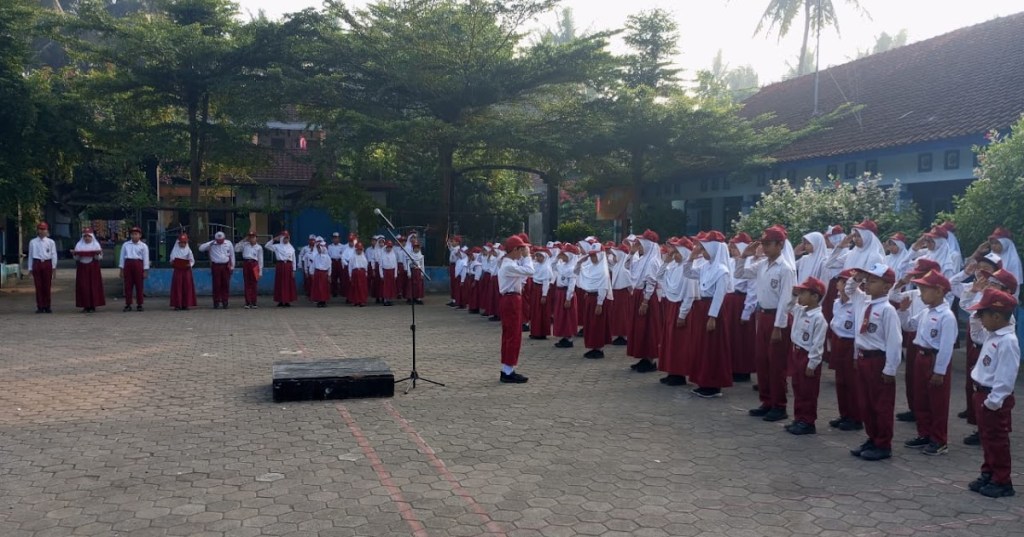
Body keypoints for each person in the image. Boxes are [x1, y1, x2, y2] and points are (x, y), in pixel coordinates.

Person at [736, 225, 796, 422]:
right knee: (762, 360)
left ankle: (779, 405)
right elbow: (740, 274)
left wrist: (779, 326)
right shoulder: (762, 264)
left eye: (769, 244)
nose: (765, 248)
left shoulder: (785, 269)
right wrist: (744, 256)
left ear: (780, 245)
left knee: (776, 363)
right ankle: (766, 401)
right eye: (763, 244)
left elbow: (786, 299)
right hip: (762, 315)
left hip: (776, 317)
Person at [965, 288, 1020, 498]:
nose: (981, 319)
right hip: (982, 395)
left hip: (993, 399)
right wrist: (976, 315)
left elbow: (1005, 378)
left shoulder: (1007, 341)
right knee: (987, 439)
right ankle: (988, 472)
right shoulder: (992, 333)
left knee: (997, 439)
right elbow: (976, 332)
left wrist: (993, 402)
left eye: (983, 314)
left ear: (996, 316)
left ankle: (1002, 480)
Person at [846, 263, 903, 462]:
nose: (868, 284)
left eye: (873, 281)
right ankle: (872, 438)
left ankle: (883, 443)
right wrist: (858, 277)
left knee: (881, 404)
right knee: (866, 403)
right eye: (867, 281)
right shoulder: (864, 302)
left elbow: (895, 342)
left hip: (878, 360)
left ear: (887, 286)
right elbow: (849, 289)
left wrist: (890, 368)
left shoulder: (888, 310)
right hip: (863, 357)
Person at [957, 267, 1017, 446]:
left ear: (1007, 291)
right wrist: (975, 291)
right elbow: (965, 306)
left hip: (993, 355)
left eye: (994, 284)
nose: (988, 285)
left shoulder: (1003, 318)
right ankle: (983, 429)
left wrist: (994, 401)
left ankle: (997, 432)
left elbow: (1006, 374)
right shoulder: (987, 301)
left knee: (998, 408)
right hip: (983, 349)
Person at [899, 270, 957, 456]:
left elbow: (947, 347)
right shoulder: (926, 312)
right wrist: (903, 311)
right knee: (921, 398)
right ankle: (924, 433)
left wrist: (939, 371)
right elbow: (908, 326)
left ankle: (939, 440)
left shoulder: (946, 316)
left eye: (924, 290)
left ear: (939, 291)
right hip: (921, 357)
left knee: (937, 402)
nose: (920, 293)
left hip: (934, 358)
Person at [684, 231, 734, 397]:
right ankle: (703, 380)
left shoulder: (722, 270)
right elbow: (688, 273)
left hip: (713, 310)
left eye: (704, 249)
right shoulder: (705, 267)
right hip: (702, 308)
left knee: (713, 348)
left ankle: (713, 383)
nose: (702, 252)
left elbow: (719, 295)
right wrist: (691, 257)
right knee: (702, 346)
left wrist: (712, 317)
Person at [786, 277, 828, 435]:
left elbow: (818, 344)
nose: (800, 296)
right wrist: (792, 295)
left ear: (815, 296)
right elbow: (788, 306)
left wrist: (813, 364)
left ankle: (808, 421)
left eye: (803, 293)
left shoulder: (819, 319)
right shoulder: (800, 310)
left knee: (808, 390)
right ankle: (799, 418)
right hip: (796, 352)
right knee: (797, 387)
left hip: (808, 356)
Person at [657, 237, 696, 386]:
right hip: (671, 305)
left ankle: (679, 374)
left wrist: (682, 314)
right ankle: (671, 371)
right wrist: (666, 261)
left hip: (681, 308)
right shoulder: (672, 266)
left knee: (680, 343)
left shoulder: (688, 271)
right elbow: (659, 277)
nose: (674, 254)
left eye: (677, 251)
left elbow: (689, 294)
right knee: (669, 341)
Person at [827, 268, 863, 431]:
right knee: (840, 381)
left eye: (843, 280)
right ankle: (845, 414)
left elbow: (857, 329)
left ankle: (855, 417)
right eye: (840, 280)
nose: (840, 283)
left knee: (852, 382)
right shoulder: (837, 302)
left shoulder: (858, 302)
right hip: (839, 342)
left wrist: (856, 353)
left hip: (851, 343)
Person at [497, 235, 535, 383]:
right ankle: (507, 370)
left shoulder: (509, 263)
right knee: (512, 335)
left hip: (511, 299)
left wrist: (524, 255)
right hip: (511, 299)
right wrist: (528, 256)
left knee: (511, 334)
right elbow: (530, 271)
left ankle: (508, 368)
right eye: (521, 249)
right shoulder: (509, 265)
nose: (522, 252)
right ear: (514, 250)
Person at [627, 230, 663, 373]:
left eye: (641, 244)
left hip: (645, 297)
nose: (639, 247)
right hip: (638, 295)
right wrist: (631, 252)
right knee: (639, 327)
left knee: (647, 328)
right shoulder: (641, 259)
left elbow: (651, 282)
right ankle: (643, 356)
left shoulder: (653, 261)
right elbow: (627, 266)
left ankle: (650, 359)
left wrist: (645, 301)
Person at [727, 233, 757, 382]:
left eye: (734, 247)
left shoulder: (751, 263)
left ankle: (743, 369)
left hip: (741, 301)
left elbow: (752, 289)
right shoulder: (732, 262)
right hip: (731, 301)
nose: (731, 250)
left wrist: (747, 311)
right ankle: (732, 367)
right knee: (732, 337)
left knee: (742, 338)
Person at [576, 239, 612, 359]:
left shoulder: (602, 270)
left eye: (595, 255)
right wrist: (581, 261)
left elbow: (603, 287)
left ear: (601, 255)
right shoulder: (590, 267)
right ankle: (592, 346)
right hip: (590, 298)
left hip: (598, 300)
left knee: (597, 324)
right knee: (590, 324)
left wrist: (600, 303)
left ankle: (599, 348)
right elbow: (576, 272)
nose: (592, 258)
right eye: (591, 255)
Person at [552, 244, 580, 349]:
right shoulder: (562, 265)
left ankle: (569, 338)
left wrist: (568, 298)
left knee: (567, 316)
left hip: (566, 293)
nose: (562, 257)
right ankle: (563, 336)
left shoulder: (572, 268)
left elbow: (571, 284)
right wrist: (557, 257)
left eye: (564, 254)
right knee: (561, 315)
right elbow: (552, 265)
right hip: (560, 292)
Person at [72, 228, 105, 313]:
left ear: (92, 237)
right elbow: (76, 258)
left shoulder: (96, 245)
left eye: (89, 236)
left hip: (93, 267)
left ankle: (93, 305)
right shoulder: (79, 245)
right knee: (83, 286)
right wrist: (76, 254)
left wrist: (96, 254)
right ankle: (85, 305)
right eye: (85, 236)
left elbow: (99, 257)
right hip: (82, 268)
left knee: (93, 285)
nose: (87, 238)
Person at [28, 222, 58, 314]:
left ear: (47, 230)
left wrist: (54, 267)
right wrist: (30, 268)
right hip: (37, 262)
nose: (42, 231)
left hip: (47, 263)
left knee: (47, 286)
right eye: (40, 229)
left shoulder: (50, 242)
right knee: (38, 286)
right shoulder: (33, 242)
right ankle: (40, 306)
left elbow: (53, 254)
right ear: (37, 230)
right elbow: (30, 255)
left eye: (44, 229)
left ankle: (47, 306)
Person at [608, 242, 634, 346]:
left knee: (623, 315)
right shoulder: (617, 266)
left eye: (615, 255)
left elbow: (629, 284)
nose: (613, 257)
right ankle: (619, 334)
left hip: (623, 294)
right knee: (617, 315)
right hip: (617, 294)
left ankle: (624, 335)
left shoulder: (624, 269)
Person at [118, 226, 150, 312]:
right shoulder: (126, 245)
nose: (134, 236)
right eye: (132, 234)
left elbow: (145, 259)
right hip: (128, 264)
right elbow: (122, 257)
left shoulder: (143, 246)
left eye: (136, 234)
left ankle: (139, 304)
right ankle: (128, 304)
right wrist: (121, 269)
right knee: (128, 285)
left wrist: (145, 270)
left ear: (140, 235)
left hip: (138, 265)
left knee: (139, 285)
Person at [265, 231, 297, 307]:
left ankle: (287, 300)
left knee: (288, 284)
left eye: (287, 238)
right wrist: (274, 239)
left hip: (288, 266)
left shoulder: (291, 248)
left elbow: (294, 259)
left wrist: (294, 270)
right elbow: (267, 246)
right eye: (285, 238)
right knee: (280, 283)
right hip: (280, 265)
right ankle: (280, 300)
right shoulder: (277, 246)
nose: (286, 240)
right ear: (282, 238)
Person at [527, 248, 553, 340]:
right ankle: (535, 331)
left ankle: (541, 332)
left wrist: (544, 295)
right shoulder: (536, 265)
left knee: (541, 312)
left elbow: (546, 283)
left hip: (541, 290)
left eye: (540, 256)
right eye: (537, 256)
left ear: (544, 257)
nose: (538, 258)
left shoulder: (546, 268)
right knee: (535, 311)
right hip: (535, 289)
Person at [235, 231, 264, 309]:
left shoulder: (259, 247)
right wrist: (243, 240)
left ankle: (254, 302)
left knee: (254, 284)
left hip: (254, 264)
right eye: (250, 237)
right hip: (246, 263)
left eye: (253, 237)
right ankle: (247, 302)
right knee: (247, 283)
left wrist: (260, 271)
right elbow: (236, 249)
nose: (251, 239)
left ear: (256, 238)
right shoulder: (244, 245)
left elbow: (260, 259)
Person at [169, 233, 197, 311]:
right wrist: (173, 262)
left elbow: (192, 260)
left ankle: (186, 304)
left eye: (184, 242)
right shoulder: (175, 250)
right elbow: (171, 259)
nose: (183, 244)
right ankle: (177, 304)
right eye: (181, 242)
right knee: (177, 287)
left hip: (186, 271)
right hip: (178, 270)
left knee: (187, 287)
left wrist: (189, 264)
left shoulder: (188, 250)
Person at [309, 239, 332, 307]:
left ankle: (323, 301)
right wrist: (312, 272)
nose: (318, 250)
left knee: (324, 288)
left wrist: (329, 275)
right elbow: (313, 265)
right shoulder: (316, 256)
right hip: (317, 273)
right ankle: (319, 300)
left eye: (319, 248)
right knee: (318, 288)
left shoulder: (327, 257)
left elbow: (329, 267)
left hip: (324, 274)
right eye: (318, 248)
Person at [348, 243, 369, 307]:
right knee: (355, 287)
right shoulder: (353, 257)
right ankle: (356, 301)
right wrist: (350, 275)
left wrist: (365, 273)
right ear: (356, 250)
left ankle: (362, 301)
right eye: (358, 250)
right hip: (355, 273)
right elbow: (350, 266)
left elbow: (366, 266)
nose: (359, 251)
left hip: (362, 273)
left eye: (360, 250)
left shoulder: (363, 257)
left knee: (362, 288)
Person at [406, 239, 426, 305]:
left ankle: (418, 298)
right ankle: (411, 298)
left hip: (418, 272)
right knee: (412, 286)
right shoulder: (410, 256)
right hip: (412, 272)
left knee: (419, 286)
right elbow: (408, 265)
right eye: (415, 248)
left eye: (417, 248)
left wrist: (422, 273)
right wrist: (409, 273)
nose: (416, 249)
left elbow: (422, 265)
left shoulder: (421, 256)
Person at [379, 240, 398, 306]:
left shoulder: (393, 255)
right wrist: (381, 274)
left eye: (390, 247)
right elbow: (380, 266)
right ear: (385, 247)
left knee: (391, 287)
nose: (389, 249)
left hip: (392, 272)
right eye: (387, 247)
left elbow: (395, 265)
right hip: (385, 272)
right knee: (385, 287)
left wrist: (395, 274)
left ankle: (390, 299)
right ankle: (385, 300)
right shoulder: (382, 255)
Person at [328, 232, 346, 297]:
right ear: (332, 239)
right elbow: (329, 255)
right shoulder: (330, 247)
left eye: (337, 238)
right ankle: (334, 292)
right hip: (333, 262)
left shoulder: (342, 246)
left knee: (342, 277)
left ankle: (342, 292)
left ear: (339, 239)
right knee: (333, 278)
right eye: (334, 238)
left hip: (340, 262)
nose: (335, 239)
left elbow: (344, 255)